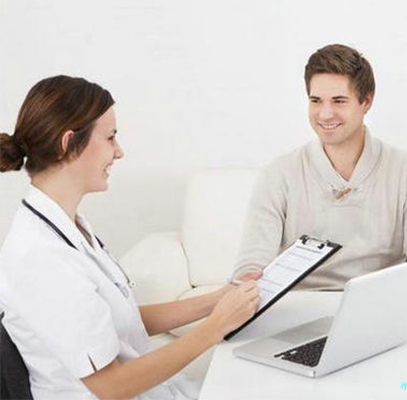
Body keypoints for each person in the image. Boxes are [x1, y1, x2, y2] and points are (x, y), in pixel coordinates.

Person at [0, 75, 260, 400]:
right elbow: (110, 386)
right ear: (68, 144)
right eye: (110, 138)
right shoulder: (41, 257)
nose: (119, 152)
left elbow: (121, 323)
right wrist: (217, 325)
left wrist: (218, 299)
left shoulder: (68, 227)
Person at [232, 44, 407, 290]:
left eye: (339, 101)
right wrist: (247, 284)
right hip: (298, 302)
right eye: (316, 101)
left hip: (378, 302)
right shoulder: (279, 174)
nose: (325, 114)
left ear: (366, 101)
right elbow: (251, 265)